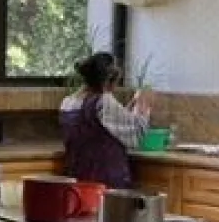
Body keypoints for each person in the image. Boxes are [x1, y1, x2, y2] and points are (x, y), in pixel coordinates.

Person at [59, 52, 153, 188]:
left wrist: (129, 107)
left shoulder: (67, 102)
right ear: (109, 80)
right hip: (105, 182)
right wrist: (143, 106)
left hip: (78, 181)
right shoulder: (103, 101)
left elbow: (103, 125)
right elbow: (137, 132)